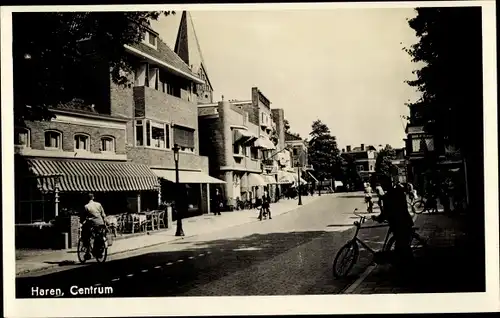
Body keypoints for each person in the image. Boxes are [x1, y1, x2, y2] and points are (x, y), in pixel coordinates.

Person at [372, 178, 415, 272]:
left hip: (399, 224)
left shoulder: (388, 197)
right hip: (405, 221)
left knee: (401, 246)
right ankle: (406, 265)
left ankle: (405, 268)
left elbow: (386, 212)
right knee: (404, 245)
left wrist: (378, 218)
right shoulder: (398, 193)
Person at [81, 193, 107, 259]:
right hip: (100, 223)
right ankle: (99, 250)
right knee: (99, 235)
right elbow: (103, 214)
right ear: (93, 197)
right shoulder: (99, 204)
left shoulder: (86, 206)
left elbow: (83, 217)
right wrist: (105, 222)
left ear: (87, 199)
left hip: (92, 224)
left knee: (86, 234)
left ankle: (87, 251)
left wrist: (81, 222)